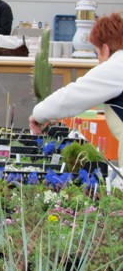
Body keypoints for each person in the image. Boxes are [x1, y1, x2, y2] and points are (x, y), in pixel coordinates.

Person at [29, 12, 123, 164]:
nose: (98, 60)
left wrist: (38, 114)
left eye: (97, 53)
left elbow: (72, 96)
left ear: (105, 49)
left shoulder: (116, 66)